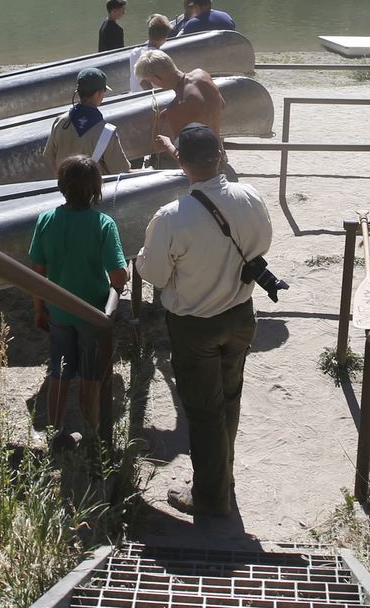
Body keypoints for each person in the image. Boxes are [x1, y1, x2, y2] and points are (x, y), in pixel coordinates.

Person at [134, 124, 271, 517]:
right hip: (242, 315)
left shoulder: (171, 216)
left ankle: (210, 497)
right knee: (229, 398)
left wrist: (146, 259)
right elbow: (262, 244)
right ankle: (221, 476)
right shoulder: (251, 196)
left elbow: (155, 275)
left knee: (204, 410)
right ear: (221, 153)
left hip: (195, 325)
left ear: (180, 160)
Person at [29, 155, 129, 436]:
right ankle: (91, 432)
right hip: (93, 315)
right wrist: (123, 280)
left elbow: (36, 272)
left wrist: (39, 309)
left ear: (62, 186)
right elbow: (119, 275)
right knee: (90, 376)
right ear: (96, 189)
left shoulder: (45, 221)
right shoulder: (104, 224)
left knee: (59, 374)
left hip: (58, 313)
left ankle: (55, 430)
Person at [135, 50, 225, 158]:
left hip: (203, 166)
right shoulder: (202, 74)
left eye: (151, 81)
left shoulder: (176, 109)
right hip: (220, 154)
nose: (154, 85)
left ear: (158, 78)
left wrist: (167, 144)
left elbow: (182, 157)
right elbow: (222, 104)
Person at [41, 68, 129, 175]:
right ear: (98, 93)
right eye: (103, 91)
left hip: (66, 188)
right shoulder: (106, 132)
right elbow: (121, 171)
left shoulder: (59, 122)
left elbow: (50, 158)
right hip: (94, 190)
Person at [128, 13, 174, 93]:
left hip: (134, 99)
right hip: (150, 100)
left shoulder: (134, 53)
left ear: (149, 33)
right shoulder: (161, 58)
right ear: (164, 38)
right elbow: (145, 84)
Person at [169, 0, 236, 37]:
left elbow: (177, 41)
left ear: (196, 6)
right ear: (210, 3)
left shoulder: (192, 24)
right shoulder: (227, 17)